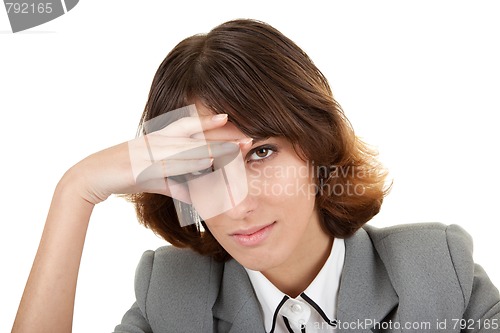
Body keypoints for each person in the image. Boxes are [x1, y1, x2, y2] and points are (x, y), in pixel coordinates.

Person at [12, 19, 500, 333]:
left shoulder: (437, 272)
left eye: (262, 152)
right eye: (204, 166)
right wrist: (75, 189)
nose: (237, 203)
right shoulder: (173, 299)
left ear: (317, 146)